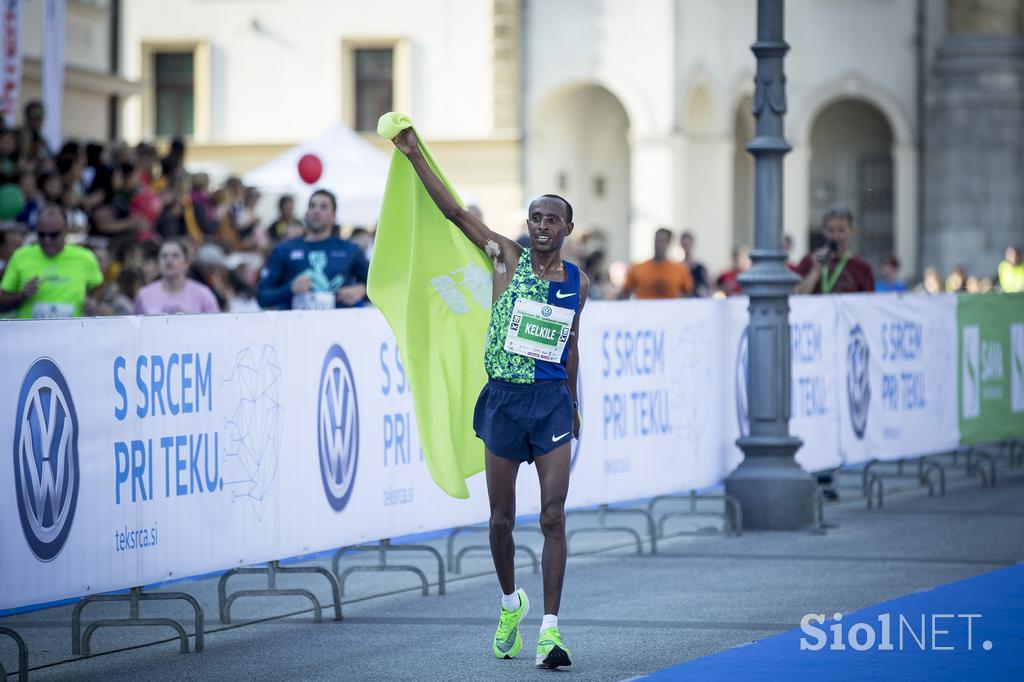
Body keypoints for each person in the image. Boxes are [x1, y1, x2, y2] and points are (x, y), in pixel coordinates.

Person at [392, 127, 587, 670]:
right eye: (535, 217)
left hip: (550, 401)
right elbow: (455, 212)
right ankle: (510, 605)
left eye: (552, 219)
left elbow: (571, 345)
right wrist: (414, 155)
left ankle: (550, 631)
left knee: (553, 515)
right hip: (503, 399)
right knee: (501, 519)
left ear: (568, 228)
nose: (542, 226)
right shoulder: (506, 258)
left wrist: (576, 403)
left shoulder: (578, 281)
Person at [256, 189, 368, 310]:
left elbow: (379, 287)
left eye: (323, 207)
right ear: (306, 213)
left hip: (338, 326)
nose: (316, 210)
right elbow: (262, 297)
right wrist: (290, 289)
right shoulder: (284, 249)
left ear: (334, 217)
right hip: (294, 326)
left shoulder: (350, 249)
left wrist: (362, 290)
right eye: (312, 206)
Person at [0, 204, 103, 318]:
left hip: (71, 333)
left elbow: (98, 285)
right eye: (41, 234)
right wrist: (22, 295)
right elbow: (2, 303)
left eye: (53, 235)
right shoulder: (20, 256)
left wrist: (93, 301)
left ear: (66, 231)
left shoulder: (85, 257)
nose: (47, 240)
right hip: (30, 333)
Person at [795, 206, 874, 295]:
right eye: (831, 230)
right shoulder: (809, 261)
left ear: (851, 231)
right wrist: (816, 271)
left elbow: (868, 302)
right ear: (823, 231)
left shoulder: (862, 267)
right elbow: (798, 296)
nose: (836, 236)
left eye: (841, 230)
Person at [134, 239, 220, 314]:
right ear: (158, 262)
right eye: (164, 256)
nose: (169, 260)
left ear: (186, 263)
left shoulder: (203, 294)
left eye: (175, 256)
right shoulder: (144, 295)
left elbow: (214, 326)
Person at [619, 227, 693, 299]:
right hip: (644, 310)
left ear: (669, 243)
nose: (658, 245)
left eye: (662, 241)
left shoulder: (680, 269)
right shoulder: (637, 268)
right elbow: (625, 293)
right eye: (657, 240)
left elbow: (688, 294)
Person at [680, 230, 709, 296]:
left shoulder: (701, 268)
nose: (686, 247)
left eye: (688, 244)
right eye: (684, 245)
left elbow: (709, 287)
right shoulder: (677, 267)